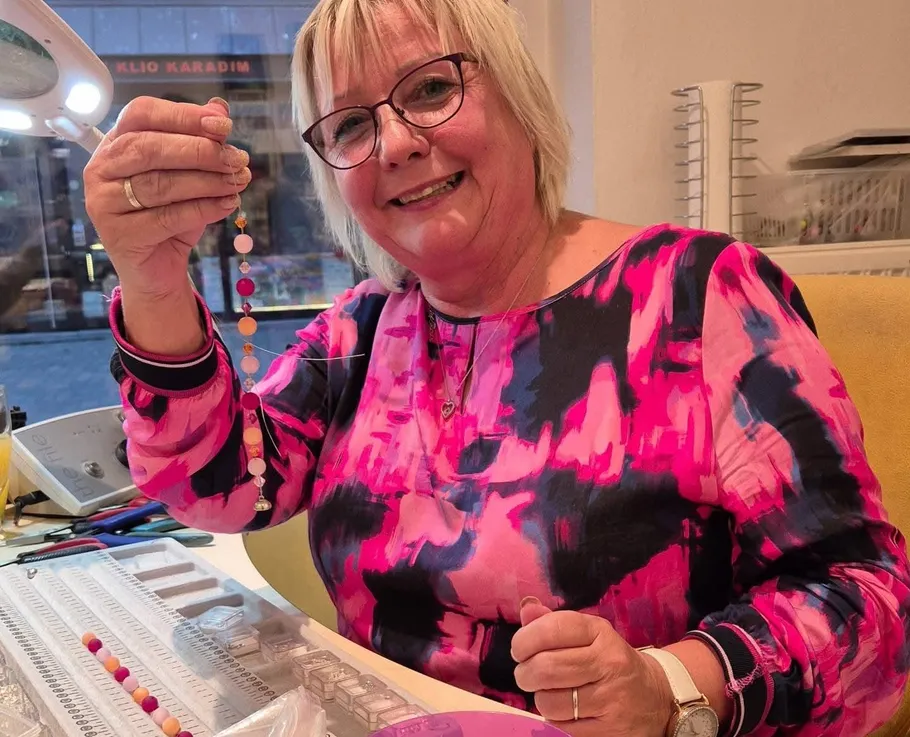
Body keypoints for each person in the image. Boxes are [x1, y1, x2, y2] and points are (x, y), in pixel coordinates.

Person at [83, 1, 910, 735]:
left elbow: (869, 599)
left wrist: (668, 686)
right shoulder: (367, 329)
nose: (398, 144)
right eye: (349, 127)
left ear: (518, 93)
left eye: (433, 89)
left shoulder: (699, 295)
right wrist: (153, 281)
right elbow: (220, 483)